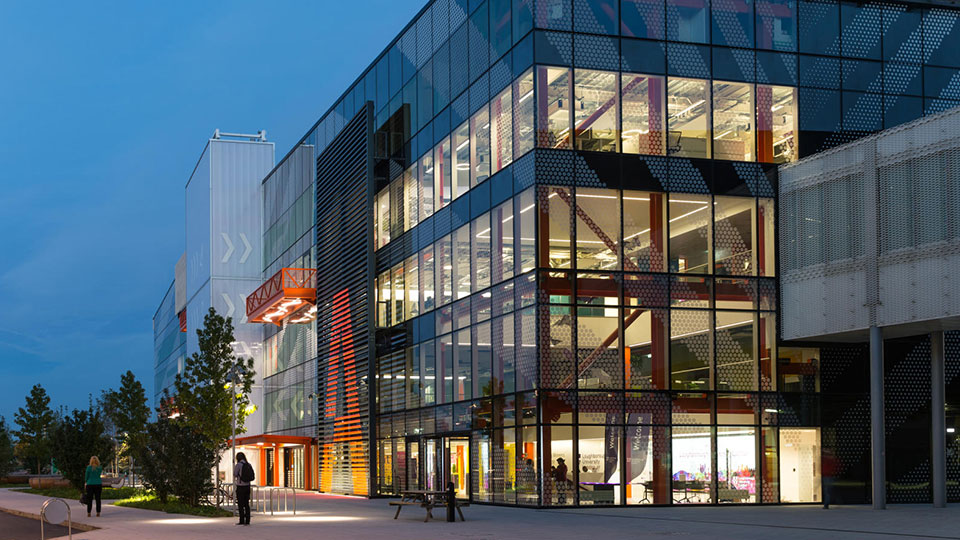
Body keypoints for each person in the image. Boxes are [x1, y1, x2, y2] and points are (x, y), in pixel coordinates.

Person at [234, 452, 252, 525]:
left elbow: (235, 474)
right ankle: (248, 520)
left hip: (240, 486)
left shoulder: (238, 465)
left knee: (241, 504)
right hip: (247, 486)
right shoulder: (248, 464)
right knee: (246, 504)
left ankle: (241, 520)